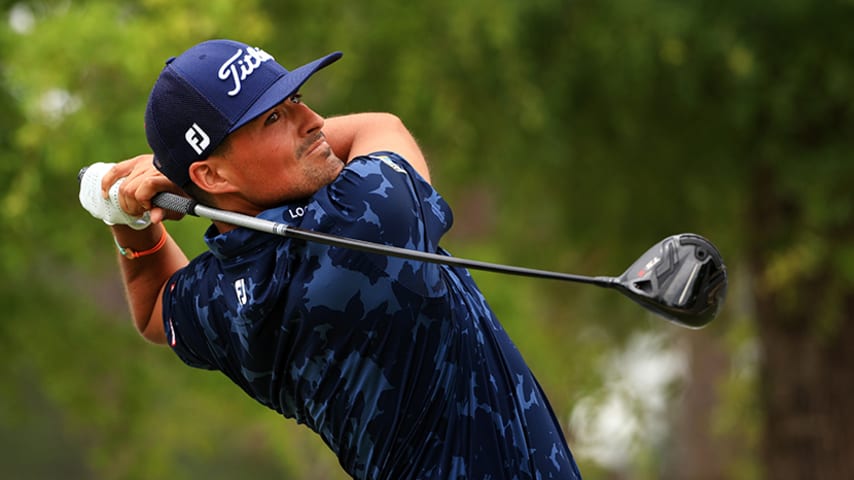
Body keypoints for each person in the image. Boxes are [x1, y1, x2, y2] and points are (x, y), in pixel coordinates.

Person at [79, 38, 582, 479]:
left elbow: (153, 310)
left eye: (294, 98)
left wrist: (126, 214)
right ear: (212, 177)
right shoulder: (367, 220)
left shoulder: (223, 301)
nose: (313, 120)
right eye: (275, 117)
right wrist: (169, 186)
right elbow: (379, 126)